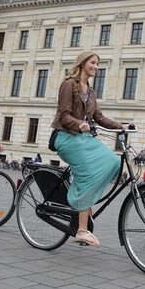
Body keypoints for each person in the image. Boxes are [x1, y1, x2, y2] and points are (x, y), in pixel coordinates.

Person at [50, 51, 129, 248]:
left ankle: (86, 200)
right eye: (93, 62)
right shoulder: (69, 84)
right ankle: (82, 230)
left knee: (112, 162)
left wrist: (122, 126)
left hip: (83, 139)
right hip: (66, 137)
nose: (96, 66)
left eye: (97, 63)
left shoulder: (91, 91)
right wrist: (79, 124)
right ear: (83, 63)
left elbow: (100, 117)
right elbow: (63, 115)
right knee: (86, 175)